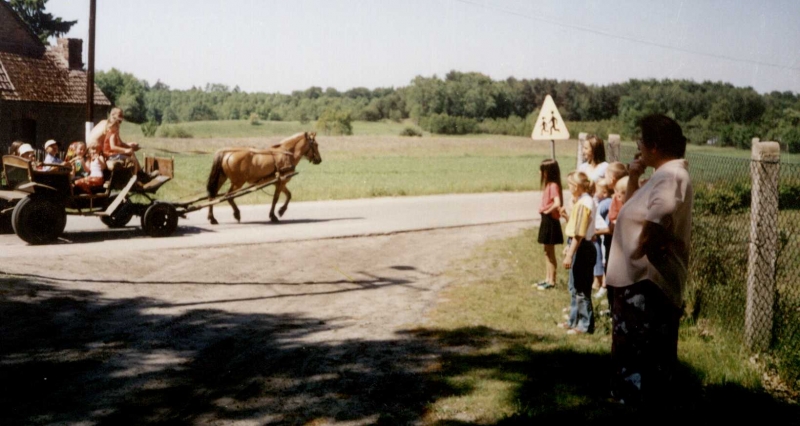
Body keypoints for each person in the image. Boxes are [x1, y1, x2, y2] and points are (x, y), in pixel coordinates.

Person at [606, 114, 693, 406]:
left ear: (655, 145)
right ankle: (632, 404)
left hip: (645, 283)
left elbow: (659, 218)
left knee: (640, 356)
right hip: (636, 279)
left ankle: (637, 410)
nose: (638, 146)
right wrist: (632, 176)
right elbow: (629, 208)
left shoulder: (671, 176)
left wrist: (636, 249)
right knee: (632, 353)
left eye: (641, 141)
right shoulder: (661, 174)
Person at [558, 171, 597, 335]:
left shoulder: (584, 204)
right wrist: (567, 216)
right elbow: (576, 228)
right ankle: (573, 320)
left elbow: (580, 234)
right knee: (574, 287)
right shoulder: (582, 201)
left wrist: (569, 254)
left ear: (576, 186)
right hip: (579, 246)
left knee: (581, 289)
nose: (567, 187)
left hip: (583, 249)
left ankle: (584, 325)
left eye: (569, 184)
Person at [88, 107, 146, 179]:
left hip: (98, 150)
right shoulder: (112, 127)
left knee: (129, 151)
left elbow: (118, 143)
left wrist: (129, 145)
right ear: (112, 115)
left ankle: (138, 173)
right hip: (98, 152)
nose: (121, 119)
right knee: (130, 154)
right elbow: (113, 146)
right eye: (120, 116)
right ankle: (140, 174)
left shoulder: (106, 123)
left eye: (122, 116)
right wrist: (127, 149)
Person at [536, 159, 564, 290]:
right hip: (546, 219)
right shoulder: (549, 185)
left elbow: (557, 203)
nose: (540, 172)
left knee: (550, 251)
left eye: (542, 170)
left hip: (550, 220)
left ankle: (552, 280)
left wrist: (547, 210)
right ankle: (547, 278)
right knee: (546, 251)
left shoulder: (553, 185)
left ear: (548, 172)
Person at [591, 178, 612, 299]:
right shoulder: (608, 202)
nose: (594, 193)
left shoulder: (605, 203)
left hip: (604, 235)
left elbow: (599, 221)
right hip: (603, 235)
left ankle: (604, 285)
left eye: (596, 191)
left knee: (605, 260)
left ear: (604, 193)